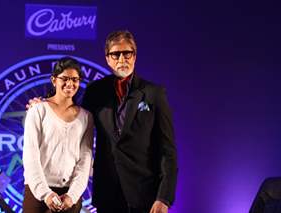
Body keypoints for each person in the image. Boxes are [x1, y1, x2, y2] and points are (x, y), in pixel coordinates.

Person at [27, 30, 177, 213]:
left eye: (127, 53)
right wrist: (40, 105)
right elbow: (69, 114)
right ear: (108, 59)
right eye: (115, 54)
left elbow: (168, 151)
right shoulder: (95, 91)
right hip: (107, 195)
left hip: (144, 195)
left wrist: (164, 198)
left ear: (135, 56)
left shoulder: (154, 93)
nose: (122, 59)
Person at [22, 57, 94, 213]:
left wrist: (72, 196)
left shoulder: (86, 117)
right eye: (64, 79)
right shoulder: (38, 110)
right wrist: (45, 193)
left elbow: (85, 161)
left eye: (74, 79)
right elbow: (30, 156)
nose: (70, 84)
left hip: (70, 198)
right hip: (37, 194)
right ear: (54, 80)